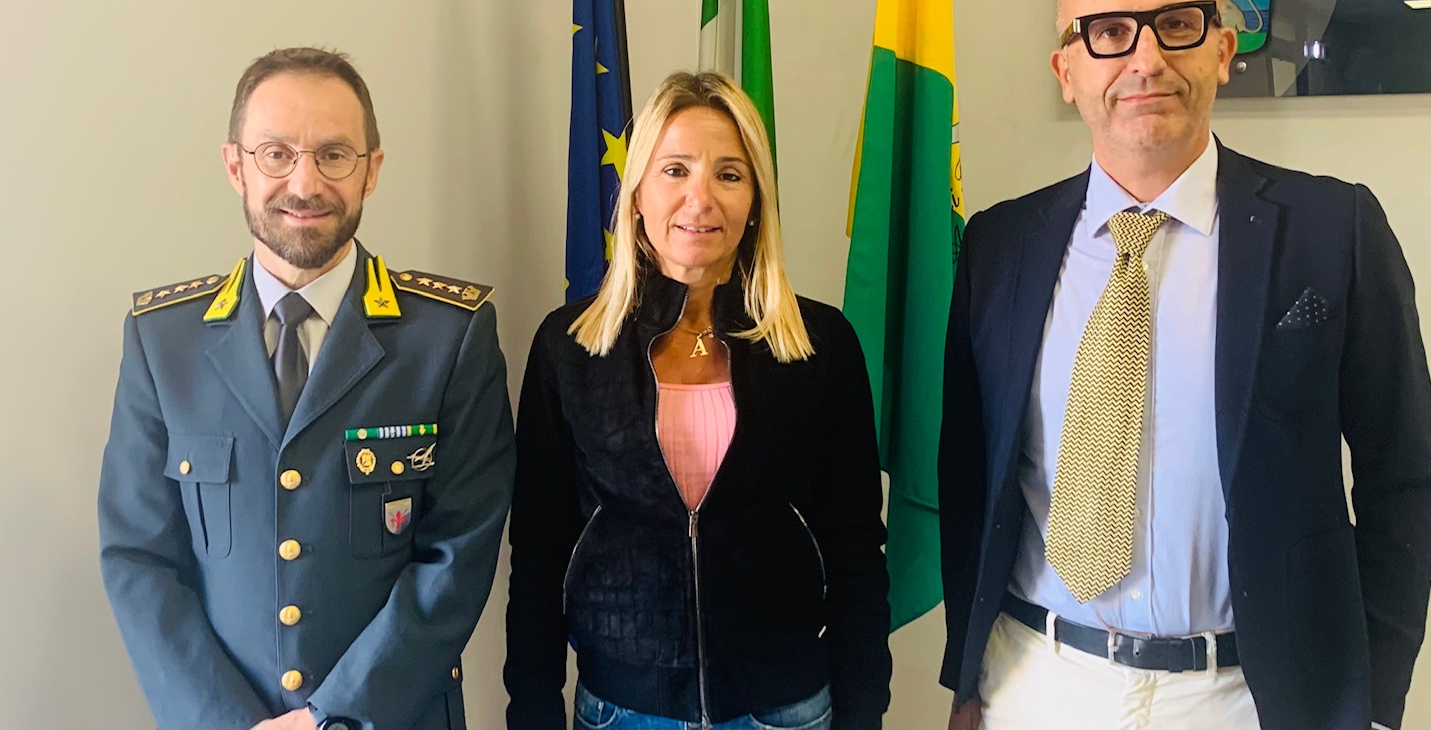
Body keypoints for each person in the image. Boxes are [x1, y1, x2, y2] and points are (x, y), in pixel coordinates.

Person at [939, 0, 1431, 730]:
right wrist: (968, 674)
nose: (1146, 60)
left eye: (1177, 24)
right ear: (1066, 71)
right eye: (1110, 32)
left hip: (1247, 696)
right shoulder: (999, 244)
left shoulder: (1332, 229)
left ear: (1223, 50)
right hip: (1036, 678)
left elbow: (1403, 478)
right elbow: (969, 472)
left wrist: (1374, 701)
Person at [99, 47, 515, 730]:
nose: (305, 182)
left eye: (334, 155)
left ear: (371, 170)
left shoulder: (448, 338)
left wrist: (334, 716)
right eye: (276, 154)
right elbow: (138, 557)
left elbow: (458, 553)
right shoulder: (163, 342)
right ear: (235, 166)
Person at [503, 71, 892, 730]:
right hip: (623, 709)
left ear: (756, 201)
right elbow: (538, 553)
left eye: (729, 174)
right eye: (675, 170)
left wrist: (864, 714)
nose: (700, 198)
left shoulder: (821, 344)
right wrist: (533, 711)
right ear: (637, 195)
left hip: (784, 708)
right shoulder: (569, 348)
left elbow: (856, 549)